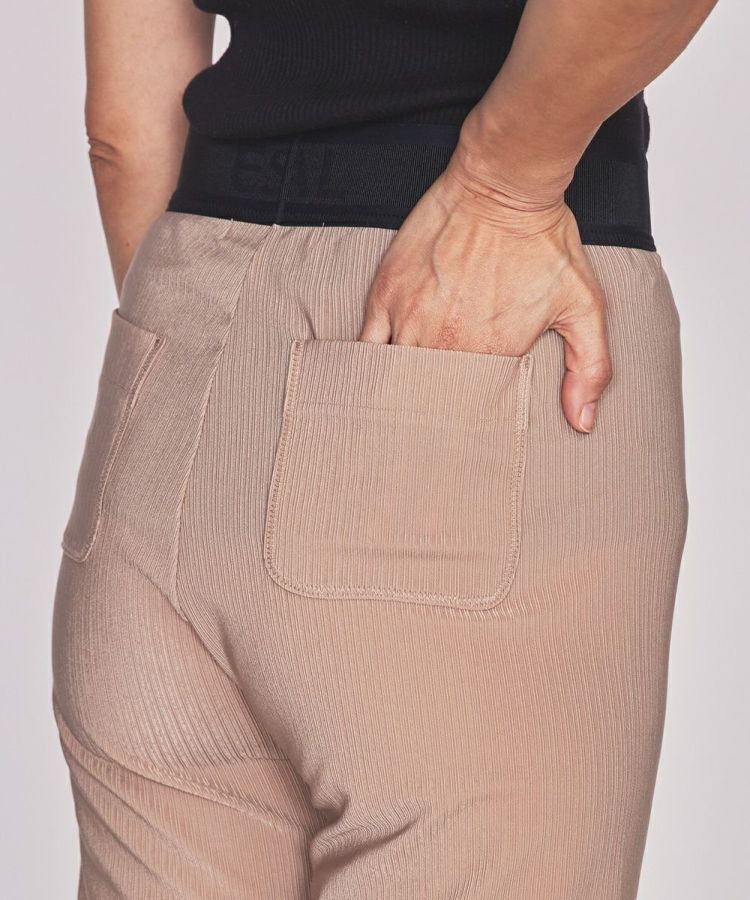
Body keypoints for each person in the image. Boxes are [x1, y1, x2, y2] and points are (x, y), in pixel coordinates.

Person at [51, 0, 717, 896]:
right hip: (469, 337)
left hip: (172, 351)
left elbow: (123, 137)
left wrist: (208, 344)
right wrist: (505, 188)